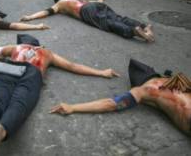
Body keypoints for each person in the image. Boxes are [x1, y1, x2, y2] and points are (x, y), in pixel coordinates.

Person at [0, 34, 119, 156]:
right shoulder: (46, 53)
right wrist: (101, 72)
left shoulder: (16, 48)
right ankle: (1, 129)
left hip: (8, 68)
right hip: (32, 72)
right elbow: (73, 66)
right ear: (39, 45)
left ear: (23, 43)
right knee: (18, 104)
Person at [50, 58, 191, 137]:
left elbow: (111, 104)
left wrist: (73, 107)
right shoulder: (182, 82)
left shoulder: (148, 90)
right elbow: (112, 104)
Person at [20, 0, 154, 42]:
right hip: (94, 5)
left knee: (107, 23)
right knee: (117, 17)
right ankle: (142, 26)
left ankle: (134, 31)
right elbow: (94, 1)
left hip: (86, 10)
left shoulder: (60, 4)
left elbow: (46, 11)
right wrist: (100, 0)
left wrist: (30, 17)